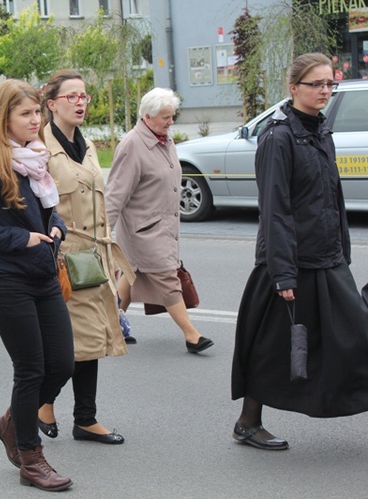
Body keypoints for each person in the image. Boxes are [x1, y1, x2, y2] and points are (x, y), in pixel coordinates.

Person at [231, 53, 368, 450]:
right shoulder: (278, 137)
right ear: (294, 89)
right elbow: (275, 208)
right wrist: (283, 273)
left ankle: (248, 421)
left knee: (356, 338)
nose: (325, 91)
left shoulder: (320, 130)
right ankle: (248, 422)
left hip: (327, 259)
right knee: (274, 346)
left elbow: (332, 197)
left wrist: (342, 248)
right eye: (316, 84)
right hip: (291, 263)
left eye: (330, 84)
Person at [0, 79, 74, 491]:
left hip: (42, 277)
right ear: (3, 117)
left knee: (62, 364)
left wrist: (55, 228)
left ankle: (11, 421)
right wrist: (21, 238)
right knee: (30, 370)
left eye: (37, 112)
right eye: (25, 114)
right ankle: (29, 456)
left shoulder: (36, 161)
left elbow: (50, 213)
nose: (35, 120)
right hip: (7, 283)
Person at [38, 69, 132, 446]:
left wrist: (109, 255)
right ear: (52, 104)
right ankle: (44, 402)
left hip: (94, 257)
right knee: (71, 344)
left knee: (91, 341)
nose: (80, 102)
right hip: (62, 259)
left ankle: (85, 419)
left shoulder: (88, 145)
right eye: (71, 96)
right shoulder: (39, 149)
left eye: (84, 96)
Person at [105, 88, 214, 354]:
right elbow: (116, 191)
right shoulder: (132, 144)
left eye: (172, 116)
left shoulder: (165, 139)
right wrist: (104, 230)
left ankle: (111, 324)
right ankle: (192, 335)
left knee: (131, 276)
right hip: (143, 230)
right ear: (148, 116)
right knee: (167, 278)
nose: (171, 121)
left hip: (164, 226)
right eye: (166, 116)